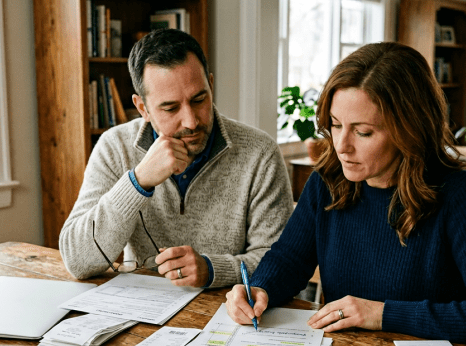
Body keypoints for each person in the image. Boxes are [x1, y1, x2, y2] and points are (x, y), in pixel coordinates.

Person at [225, 42, 466, 344]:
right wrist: (260, 289)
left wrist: (383, 314)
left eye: (363, 132)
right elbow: (290, 259)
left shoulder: (459, 195)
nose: (342, 146)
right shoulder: (327, 182)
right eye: (335, 125)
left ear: (408, 129)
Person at [59, 29, 294, 288]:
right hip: (143, 314)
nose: (191, 121)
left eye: (199, 99)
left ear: (211, 85)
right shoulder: (114, 147)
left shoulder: (261, 154)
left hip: (229, 314)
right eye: (170, 108)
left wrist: (213, 269)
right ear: (142, 108)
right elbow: (77, 261)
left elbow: (280, 262)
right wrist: (138, 182)